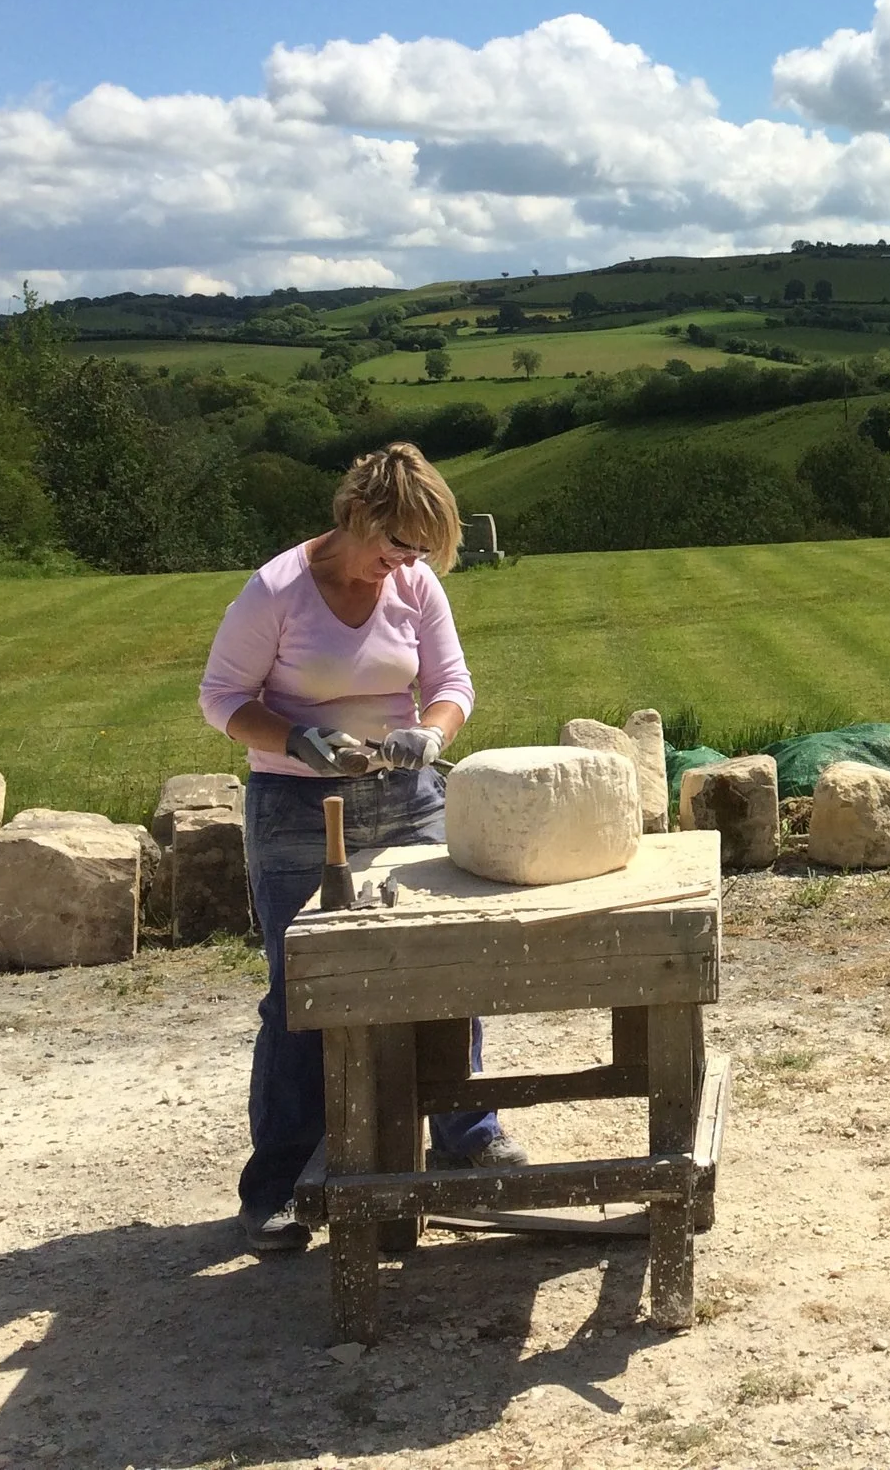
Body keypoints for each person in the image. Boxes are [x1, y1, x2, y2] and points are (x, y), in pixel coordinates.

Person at [199, 442, 529, 1254]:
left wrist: (429, 733)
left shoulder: (414, 586)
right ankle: (278, 1182)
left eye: (420, 551)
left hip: (406, 799)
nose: (408, 564)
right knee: (301, 988)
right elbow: (221, 698)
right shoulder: (276, 589)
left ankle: (467, 1135)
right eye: (399, 545)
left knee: (443, 963)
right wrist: (298, 739)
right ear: (358, 517)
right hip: (295, 808)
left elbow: (453, 685)